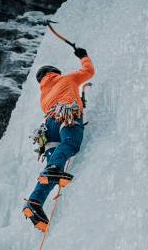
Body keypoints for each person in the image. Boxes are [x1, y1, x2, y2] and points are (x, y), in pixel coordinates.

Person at [23, 47, 95, 231]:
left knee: (52, 171)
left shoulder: (44, 96)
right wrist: (83, 56)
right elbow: (89, 72)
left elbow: (63, 97)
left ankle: (34, 202)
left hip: (47, 129)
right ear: (54, 73)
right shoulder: (66, 78)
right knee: (70, 143)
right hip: (65, 114)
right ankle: (53, 170)